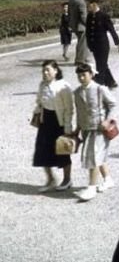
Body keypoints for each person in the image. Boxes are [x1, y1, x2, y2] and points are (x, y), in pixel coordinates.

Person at [73, 63, 116, 201]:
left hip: (99, 130)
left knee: (93, 157)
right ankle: (108, 179)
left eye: (84, 75)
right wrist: (77, 129)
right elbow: (79, 113)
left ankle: (91, 187)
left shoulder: (99, 89)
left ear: (91, 75)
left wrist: (108, 120)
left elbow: (112, 104)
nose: (81, 77)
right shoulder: (77, 92)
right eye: (79, 75)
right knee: (98, 156)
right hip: (86, 129)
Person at [32, 60, 74, 192]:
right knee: (42, 151)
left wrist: (67, 127)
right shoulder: (42, 85)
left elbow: (69, 109)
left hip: (59, 122)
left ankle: (67, 179)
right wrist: (37, 112)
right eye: (43, 71)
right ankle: (51, 179)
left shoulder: (63, 86)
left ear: (56, 71)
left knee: (63, 151)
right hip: (46, 121)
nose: (45, 73)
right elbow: (39, 101)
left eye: (47, 70)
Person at [86, 0, 119, 89]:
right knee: (102, 64)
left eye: (89, 4)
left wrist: (118, 44)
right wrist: (89, 44)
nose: (88, 6)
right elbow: (88, 32)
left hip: (103, 45)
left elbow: (112, 30)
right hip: (94, 46)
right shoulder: (89, 16)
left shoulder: (104, 16)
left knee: (100, 66)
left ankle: (99, 84)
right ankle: (111, 82)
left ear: (94, 4)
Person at [68, 0, 89, 65]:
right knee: (82, 43)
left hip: (74, 24)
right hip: (81, 26)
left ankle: (84, 57)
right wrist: (88, 23)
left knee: (81, 42)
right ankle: (80, 60)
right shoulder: (81, 2)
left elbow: (69, 13)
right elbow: (83, 16)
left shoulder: (71, 0)